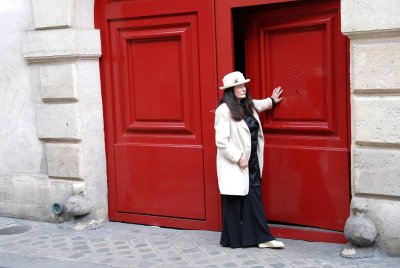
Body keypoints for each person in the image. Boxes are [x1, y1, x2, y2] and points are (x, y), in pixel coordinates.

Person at [214, 71, 284, 249]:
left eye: (244, 85)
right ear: (230, 90)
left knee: (253, 199)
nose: (243, 88)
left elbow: (260, 105)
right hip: (236, 163)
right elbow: (221, 141)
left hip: (252, 162)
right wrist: (238, 158)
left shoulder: (248, 106)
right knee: (234, 201)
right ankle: (235, 240)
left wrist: (272, 100)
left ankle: (262, 238)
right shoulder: (224, 111)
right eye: (239, 86)